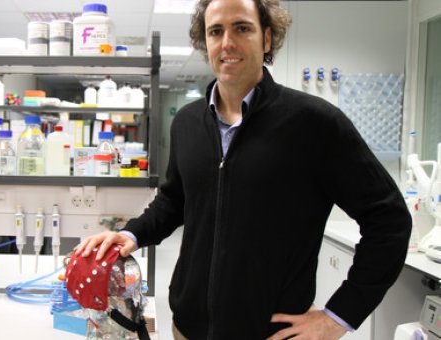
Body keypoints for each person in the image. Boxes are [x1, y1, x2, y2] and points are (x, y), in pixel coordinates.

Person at [74, 0, 412, 338]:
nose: (227, 43)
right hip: (187, 328)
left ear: (266, 39)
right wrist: (132, 234)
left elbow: (389, 219)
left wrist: (338, 317)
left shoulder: (315, 124)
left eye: (242, 28)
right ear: (204, 41)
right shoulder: (188, 123)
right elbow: (174, 200)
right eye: (216, 31)